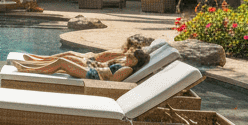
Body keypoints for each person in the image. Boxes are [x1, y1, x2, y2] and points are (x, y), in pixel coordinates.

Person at [12, 48, 150, 82]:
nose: (127, 56)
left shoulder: (127, 69)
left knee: (62, 62)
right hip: (91, 70)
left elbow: (112, 83)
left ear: (135, 61)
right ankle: (33, 65)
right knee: (65, 60)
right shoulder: (126, 65)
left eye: (131, 56)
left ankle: (29, 69)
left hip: (91, 76)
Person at [12, 36, 150, 66]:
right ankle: (39, 59)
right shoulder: (123, 53)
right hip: (91, 57)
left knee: (68, 54)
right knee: (68, 54)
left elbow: (106, 60)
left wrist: (89, 59)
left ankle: (39, 60)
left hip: (91, 60)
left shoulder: (124, 55)